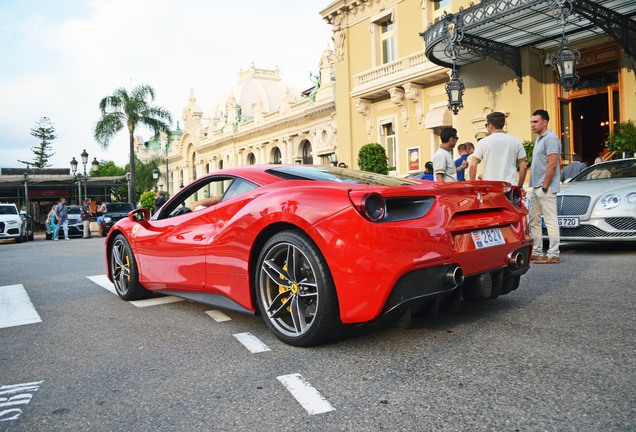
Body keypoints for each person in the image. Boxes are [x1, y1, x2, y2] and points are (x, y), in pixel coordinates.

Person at [529, 109, 562, 264]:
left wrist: (545, 186)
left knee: (550, 220)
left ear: (545, 122)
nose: (532, 125)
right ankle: (537, 252)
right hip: (535, 187)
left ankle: (553, 254)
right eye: (531, 122)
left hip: (545, 187)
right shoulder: (539, 139)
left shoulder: (551, 139)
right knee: (533, 220)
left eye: (535, 122)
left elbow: (553, 163)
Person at [468, 111, 527, 192]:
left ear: (490, 126)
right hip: (509, 187)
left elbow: (472, 166)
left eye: (486, 125)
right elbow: (523, 167)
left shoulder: (482, 142)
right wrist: (519, 187)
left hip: (490, 187)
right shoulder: (516, 141)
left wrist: (473, 185)